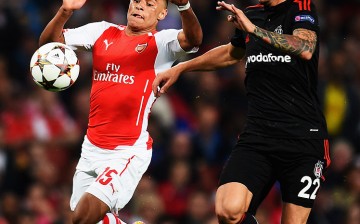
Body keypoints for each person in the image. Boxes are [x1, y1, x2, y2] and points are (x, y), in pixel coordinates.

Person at [152, 0, 330, 223]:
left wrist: (252, 29)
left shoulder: (300, 7)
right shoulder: (251, 15)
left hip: (302, 138)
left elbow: (305, 48)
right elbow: (231, 53)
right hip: (258, 136)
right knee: (228, 210)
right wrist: (181, 68)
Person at [38, 0, 202, 223]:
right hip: (91, 148)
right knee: (90, 219)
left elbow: (193, 40)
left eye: (149, 4)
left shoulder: (162, 42)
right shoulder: (102, 31)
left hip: (126, 151)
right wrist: (64, 11)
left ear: (162, 14)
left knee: (82, 217)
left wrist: (184, 7)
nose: (139, 6)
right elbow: (48, 47)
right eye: (136, 1)